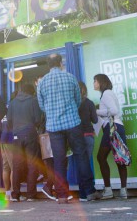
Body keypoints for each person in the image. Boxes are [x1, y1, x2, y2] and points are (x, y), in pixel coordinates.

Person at [36, 54, 99, 204]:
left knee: (59, 160)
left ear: (48, 65)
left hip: (54, 126)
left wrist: (53, 113)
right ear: (60, 62)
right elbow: (78, 100)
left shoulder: (42, 82)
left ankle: (62, 195)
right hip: (72, 123)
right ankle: (89, 191)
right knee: (81, 155)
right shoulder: (70, 78)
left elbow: (41, 106)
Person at [93, 74, 128, 199]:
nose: (94, 84)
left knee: (101, 157)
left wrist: (96, 111)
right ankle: (123, 190)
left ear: (101, 82)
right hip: (118, 126)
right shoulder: (109, 93)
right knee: (120, 158)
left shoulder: (106, 93)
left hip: (112, 128)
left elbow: (113, 111)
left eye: (95, 81)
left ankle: (108, 190)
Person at [8, 83, 43, 202]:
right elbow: (38, 119)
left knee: (17, 165)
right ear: (31, 92)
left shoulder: (12, 103)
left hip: (17, 135)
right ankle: (31, 195)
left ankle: (15, 194)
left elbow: (9, 120)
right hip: (30, 134)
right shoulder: (33, 101)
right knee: (32, 163)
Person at [77, 81, 98, 179]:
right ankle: (89, 189)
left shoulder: (73, 104)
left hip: (77, 137)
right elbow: (95, 120)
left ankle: (83, 192)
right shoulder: (89, 103)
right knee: (86, 163)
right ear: (85, 90)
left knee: (80, 164)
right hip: (88, 135)